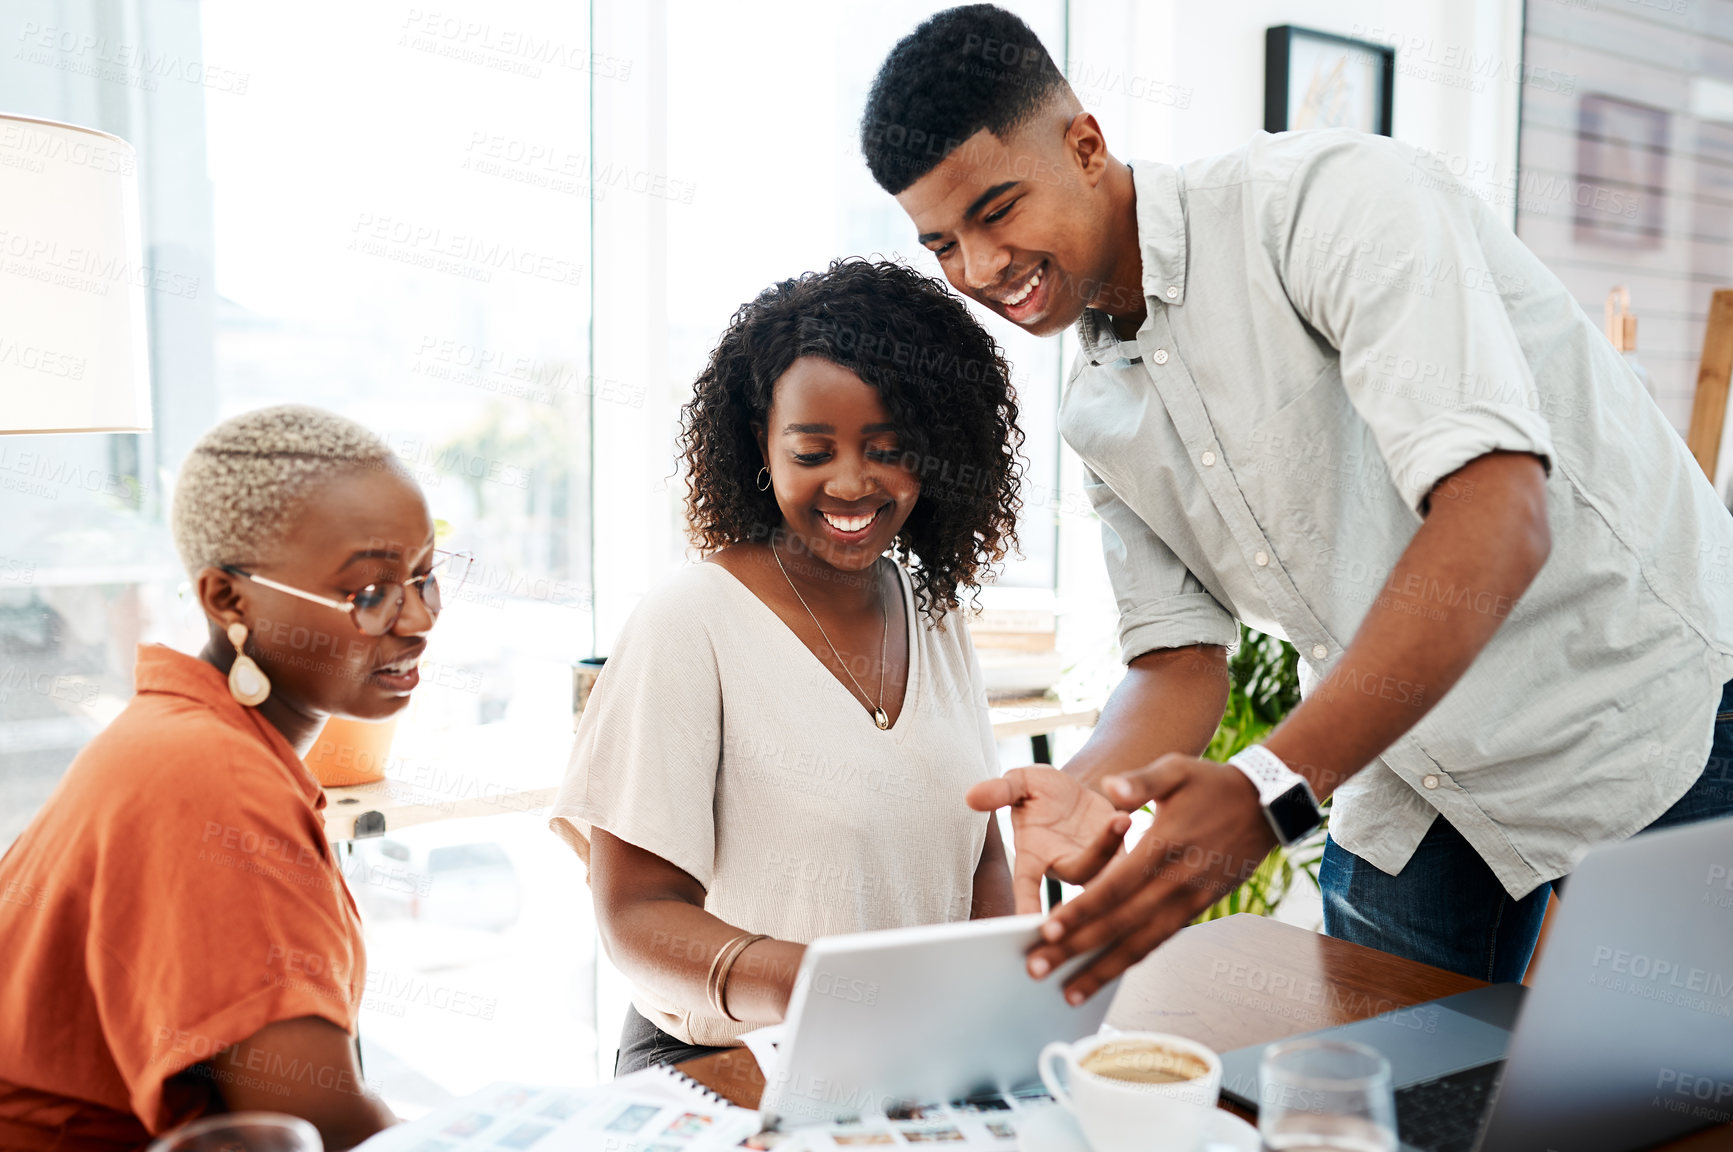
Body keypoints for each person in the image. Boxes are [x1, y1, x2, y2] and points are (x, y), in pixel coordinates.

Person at [859, 5, 1733, 1000]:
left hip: (1635, 709)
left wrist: (1269, 787)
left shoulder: (1328, 204)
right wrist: (1089, 787)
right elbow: (1176, 662)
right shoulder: (1098, 409)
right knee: (1381, 1088)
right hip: (1410, 768)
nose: (976, 268)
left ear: (1085, 145)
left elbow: (1499, 516)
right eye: (940, 245)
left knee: (1672, 1090)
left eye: (996, 211)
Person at [549, 258, 1023, 1074]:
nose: (851, 482)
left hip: (907, 1061)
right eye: (812, 451)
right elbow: (633, 914)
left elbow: (976, 853)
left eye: (889, 448)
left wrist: (997, 1008)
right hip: (729, 1061)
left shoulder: (931, 614)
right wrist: (816, 987)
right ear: (761, 452)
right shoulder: (689, 620)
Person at [0, 405, 464, 1150]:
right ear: (226, 598)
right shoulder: (212, 775)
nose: (418, 618)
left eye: (424, 578)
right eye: (370, 593)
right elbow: (321, 1125)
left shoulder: (201, 738)